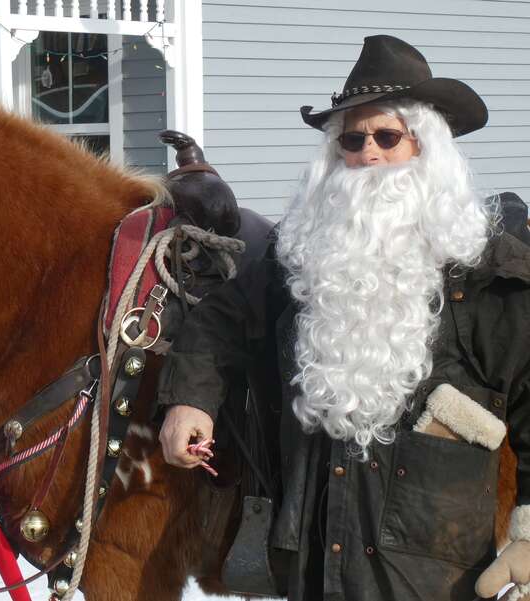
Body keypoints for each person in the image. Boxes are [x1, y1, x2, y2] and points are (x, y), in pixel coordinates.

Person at [157, 35, 530, 601]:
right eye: (353, 139)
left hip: (433, 581)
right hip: (312, 570)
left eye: (387, 136)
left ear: (425, 148)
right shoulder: (302, 256)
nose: (368, 153)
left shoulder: (484, 272)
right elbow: (221, 319)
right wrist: (191, 397)